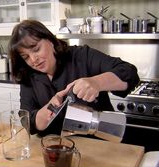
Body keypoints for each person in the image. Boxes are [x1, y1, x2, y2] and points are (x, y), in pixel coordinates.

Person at [8, 20, 140, 137]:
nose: (33, 60)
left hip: (101, 142)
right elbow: (27, 121)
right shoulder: (27, 74)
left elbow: (129, 73)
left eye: (36, 49)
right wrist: (49, 109)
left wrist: (97, 82)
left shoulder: (82, 56)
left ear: (50, 40)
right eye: (25, 57)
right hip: (54, 147)